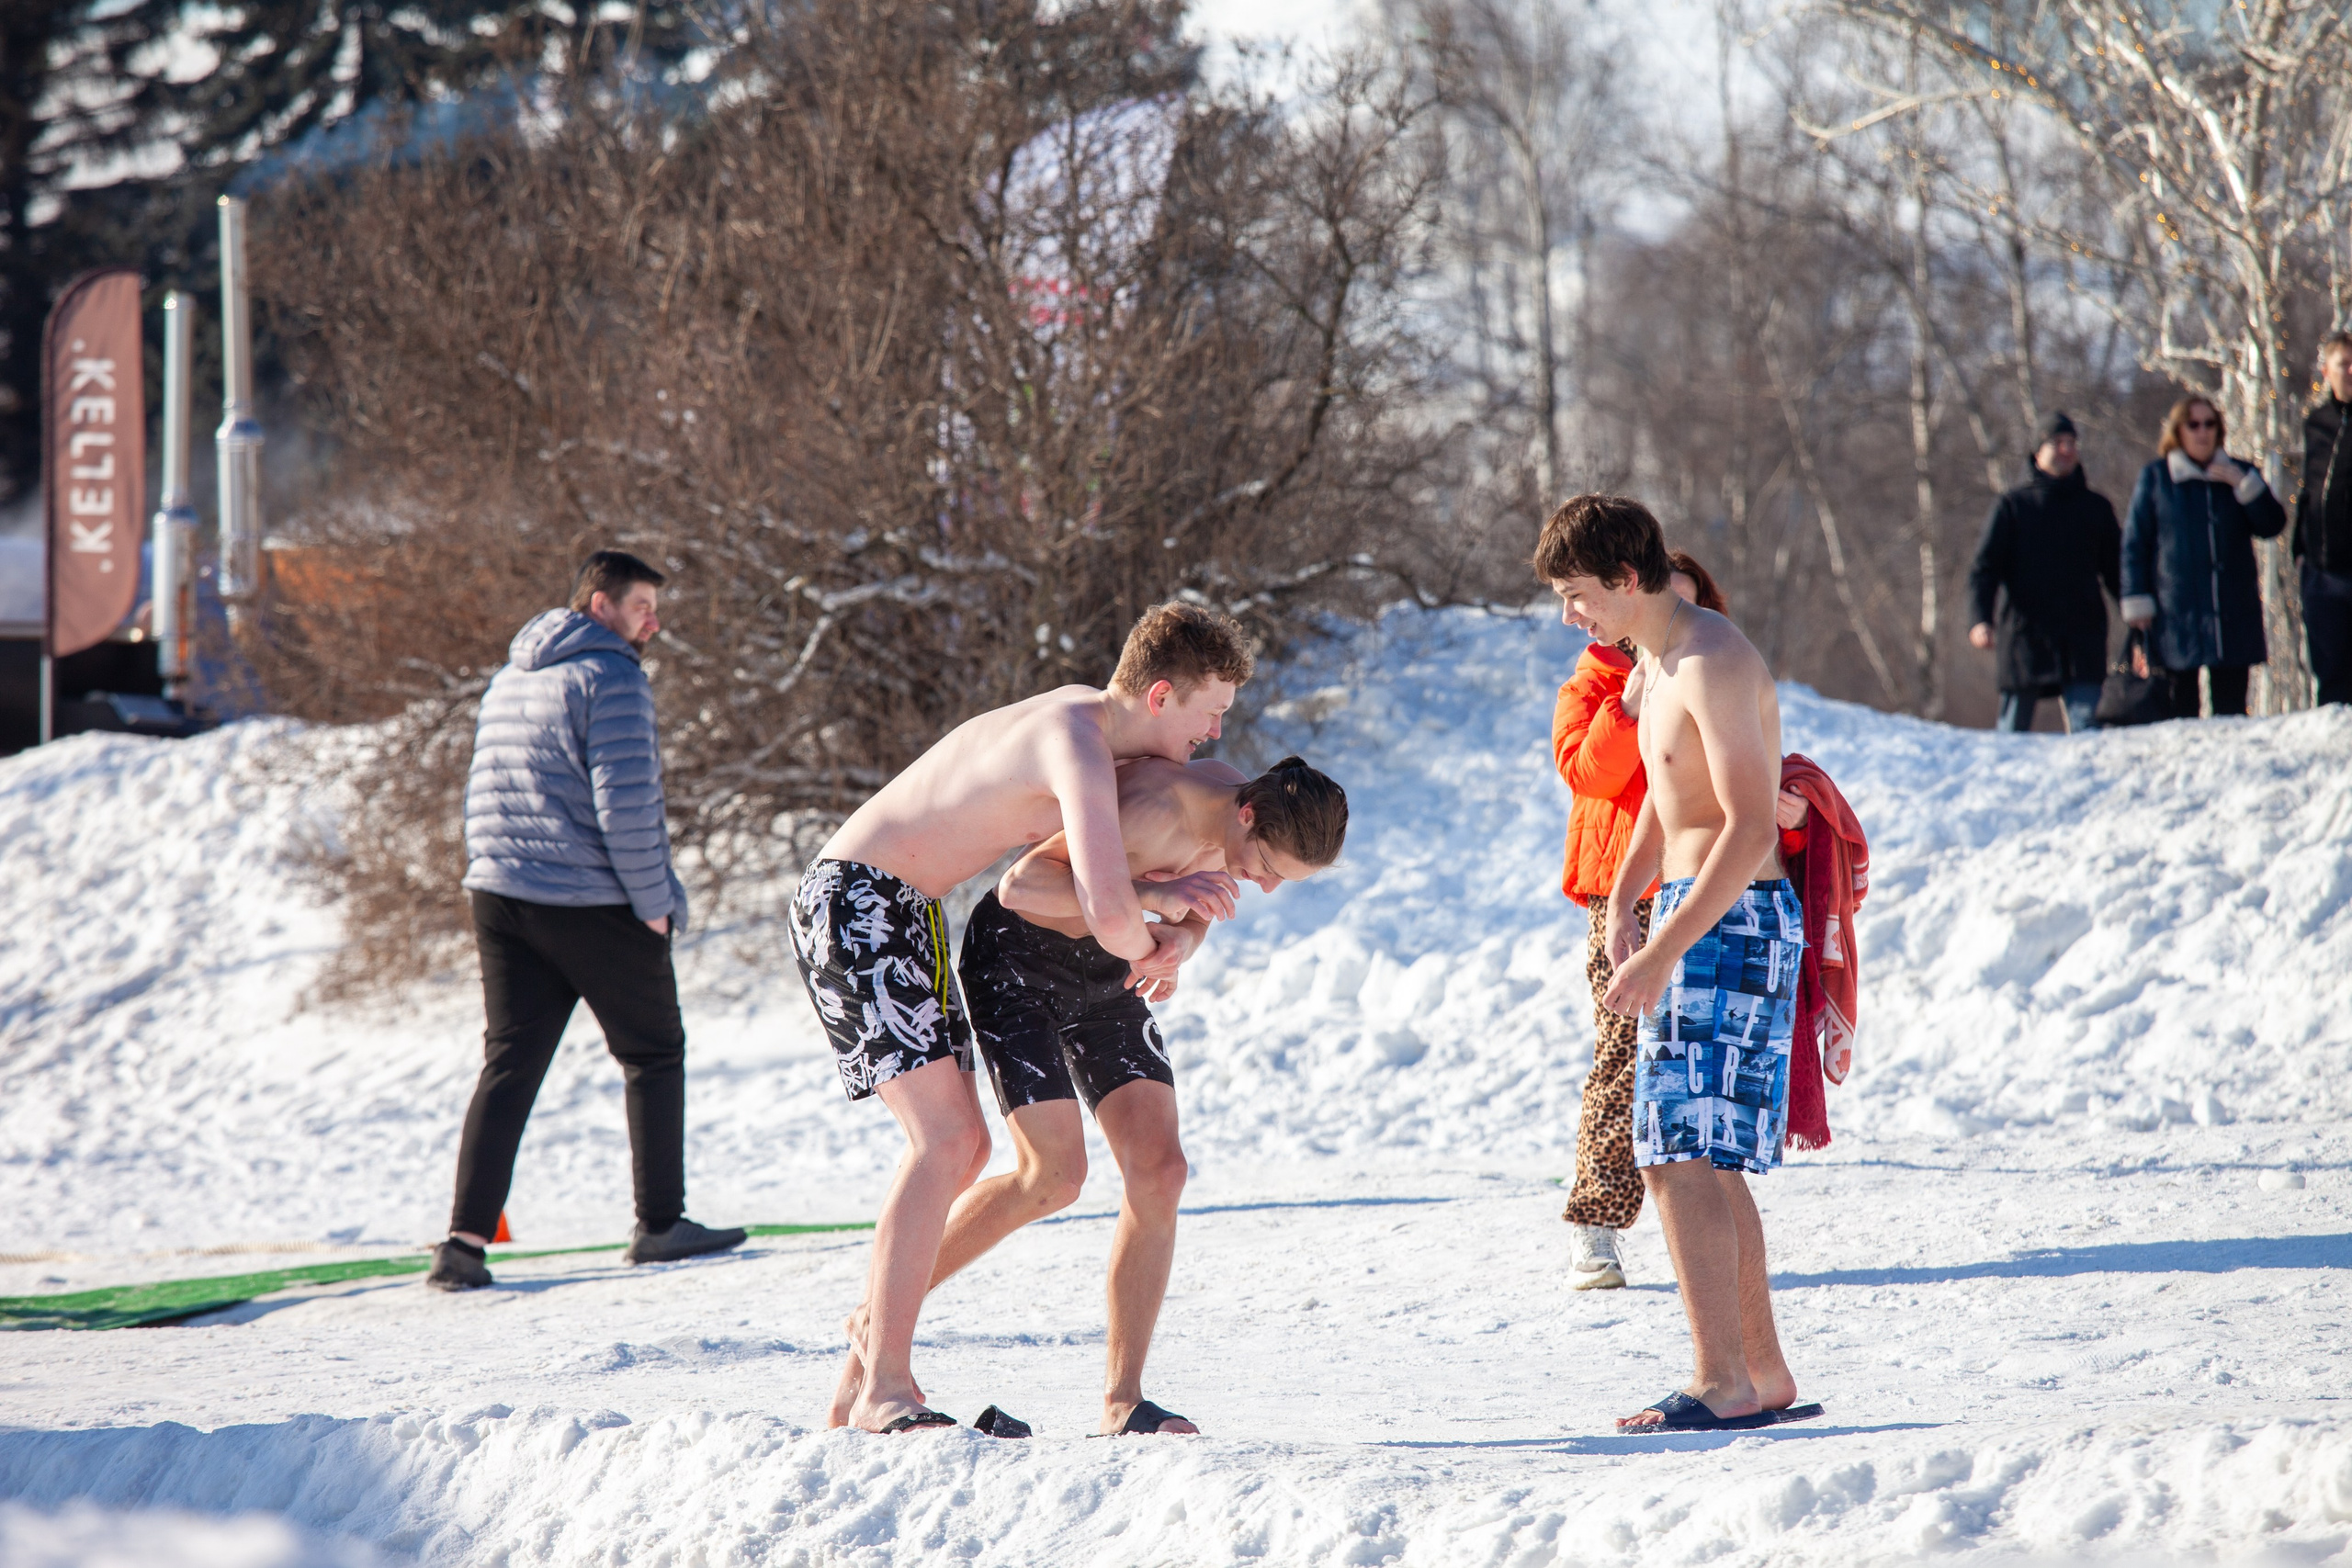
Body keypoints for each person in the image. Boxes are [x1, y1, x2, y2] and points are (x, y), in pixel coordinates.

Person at [789, 601, 1253, 1434]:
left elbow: (1115, 888)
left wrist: (1170, 918)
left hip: (905, 906)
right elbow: (1107, 906)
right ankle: (885, 1388)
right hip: (858, 897)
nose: (1213, 735)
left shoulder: (1094, 735)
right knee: (945, 1141)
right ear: (1159, 696)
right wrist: (1158, 925)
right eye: (1208, 713)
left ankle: (858, 1389)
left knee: (963, 1145)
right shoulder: (1073, 738)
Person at [832, 754, 1348, 1437]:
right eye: (1271, 868)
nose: (1269, 886)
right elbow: (1021, 886)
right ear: (1248, 813)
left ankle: (1122, 1401)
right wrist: (1150, 899)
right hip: (1015, 959)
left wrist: (1177, 945)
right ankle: (878, 1314)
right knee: (1053, 1176)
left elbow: (1194, 907)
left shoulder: (1238, 831)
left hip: (1106, 972)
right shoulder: (1154, 804)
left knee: (1162, 1170)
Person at [1537, 493, 1818, 1433]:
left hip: (1728, 920)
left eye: (1577, 595)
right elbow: (1668, 792)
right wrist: (1624, 898)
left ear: (1624, 579)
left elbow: (1744, 826)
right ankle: (1758, 1371)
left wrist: (1665, 947)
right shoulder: (1656, 663)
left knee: (1675, 1157)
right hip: (1695, 915)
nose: (1569, 616)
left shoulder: (1712, 661)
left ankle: (1720, 1381)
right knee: (1692, 1156)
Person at [428, 550, 746, 1292]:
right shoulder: (613, 678)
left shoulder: (513, 675)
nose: (653, 623)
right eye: (642, 607)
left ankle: (463, 1244)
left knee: (509, 1064)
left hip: (501, 891)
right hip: (587, 898)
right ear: (601, 605)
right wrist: (655, 903)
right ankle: (660, 1223)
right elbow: (627, 809)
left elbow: (489, 789)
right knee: (654, 1051)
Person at [1550, 550, 1726, 1292]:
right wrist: (1628, 706)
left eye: (1689, 605)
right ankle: (1596, 1223)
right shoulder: (1590, 681)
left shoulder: (1711, 668)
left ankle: (1710, 1219)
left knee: (1693, 1055)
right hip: (1621, 895)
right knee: (1625, 1053)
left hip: (1700, 884)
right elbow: (1587, 771)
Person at [2121, 396, 2288, 718]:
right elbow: (2135, 543)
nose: (2202, 432)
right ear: (2178, 431)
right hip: (2176, 613)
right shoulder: (2157, 478)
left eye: (2209, 424)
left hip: (2231, 611)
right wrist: (2136, 598)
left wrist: (2244, 486)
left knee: (2232, 714)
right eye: (2193, 424)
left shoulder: (2239, 473)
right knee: (2179, 713)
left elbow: (2272, 525)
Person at [1966, 412, 2121, 734]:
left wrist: (2139, 622)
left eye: (2071, 443)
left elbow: (2118, 572)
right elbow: (1984, 570)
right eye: (2057, 442)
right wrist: (1979, 619)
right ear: (2038, 451)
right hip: (2025, 637)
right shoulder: (2012, 507)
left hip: (2082, 638)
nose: (2066, 450)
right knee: (2010, 741)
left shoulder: (2095, 508)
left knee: (2089, 736)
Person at [2293, 332, 2352, 706]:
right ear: (2326, 371)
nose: (2351, 371)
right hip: (2322, 571)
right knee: (2330, 676)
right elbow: (2310, 490)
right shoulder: (2315, 423)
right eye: (2344, 364)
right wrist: (2300, 549)